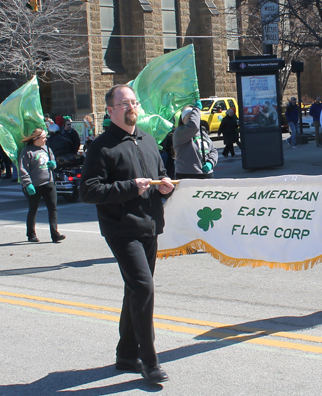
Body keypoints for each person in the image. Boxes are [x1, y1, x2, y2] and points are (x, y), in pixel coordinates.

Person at [80, 84, 173, 384]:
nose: (132, 107)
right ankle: (149, 360)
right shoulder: (102, 146)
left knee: (134, 290)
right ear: (110, 111)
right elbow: (89, 190)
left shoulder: (148, 141)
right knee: (144, 288)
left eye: (134, 102)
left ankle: (125, 355)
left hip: (149, 225)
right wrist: (130, 187)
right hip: (121, 229)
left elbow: (159, 175)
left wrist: (165, 185)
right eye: (124, 104)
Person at [19, 128, 65, 244]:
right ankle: (31, 234)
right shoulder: (27, 151)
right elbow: (23, 169)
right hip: (34, 185)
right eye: (44, 137)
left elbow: (52, 161)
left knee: (53, 208)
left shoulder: (47, 149)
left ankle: (55, 234)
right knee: (33, 209)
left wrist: (53, 164)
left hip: (48, 182)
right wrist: (27, 183)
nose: (46, 139)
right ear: (37, 139)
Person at [173, 104, 218, 179]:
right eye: (189, 118)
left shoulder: (202, 133)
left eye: (194, 117)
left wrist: (211, 162)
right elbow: (194, 125)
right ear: (183, 120)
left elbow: (213, 150)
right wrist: (196, 108)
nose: (192, 119)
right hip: (188, 175)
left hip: (206, 174)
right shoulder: (179, 133)